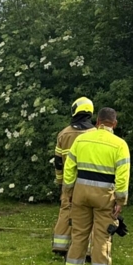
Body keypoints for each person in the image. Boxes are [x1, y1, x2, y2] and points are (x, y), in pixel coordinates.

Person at [62, 107, 130, 265]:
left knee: (79, 234)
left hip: (80, 193)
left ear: (97, 122)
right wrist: (120, 201)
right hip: (104, 196)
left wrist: (68, 193)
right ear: (114, 124)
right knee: (102, 237)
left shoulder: (81, 139)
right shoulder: (120, 145)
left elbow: (69, 168)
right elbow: (122, 177)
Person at [51, 97, 97, 255]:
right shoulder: (96, 134)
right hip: (90, 183)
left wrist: (60, 182)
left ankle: (60, 246)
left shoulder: (63, 134)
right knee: (91, 216)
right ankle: (91, 250)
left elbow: (58, 162)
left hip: (68, 183)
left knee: (66, 211)